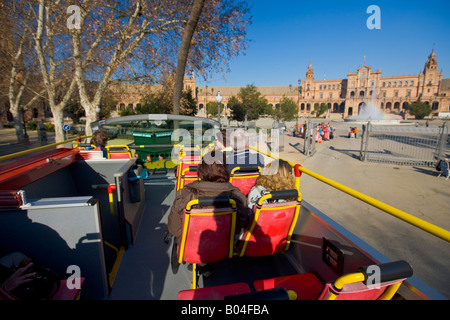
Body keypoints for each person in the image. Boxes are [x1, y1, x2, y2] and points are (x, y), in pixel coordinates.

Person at [168, 150, 251, 240]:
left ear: (201, 169)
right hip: (224, 247)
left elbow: (174, 230)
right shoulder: (237, 197)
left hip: (192, 247)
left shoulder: (186, 195)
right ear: (225, 170)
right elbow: (240, 228)